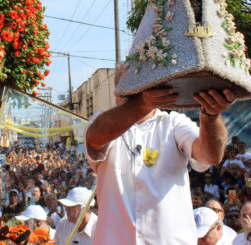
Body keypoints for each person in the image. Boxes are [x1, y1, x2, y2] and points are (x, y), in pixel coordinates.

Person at [85, 79, 233, 243]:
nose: (129, 89)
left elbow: (210, 155)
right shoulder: (101, 121)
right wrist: (141, 103)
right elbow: (96, 138)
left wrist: (211, 116)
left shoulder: (174, 123)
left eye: (136, 80)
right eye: (124, 82)